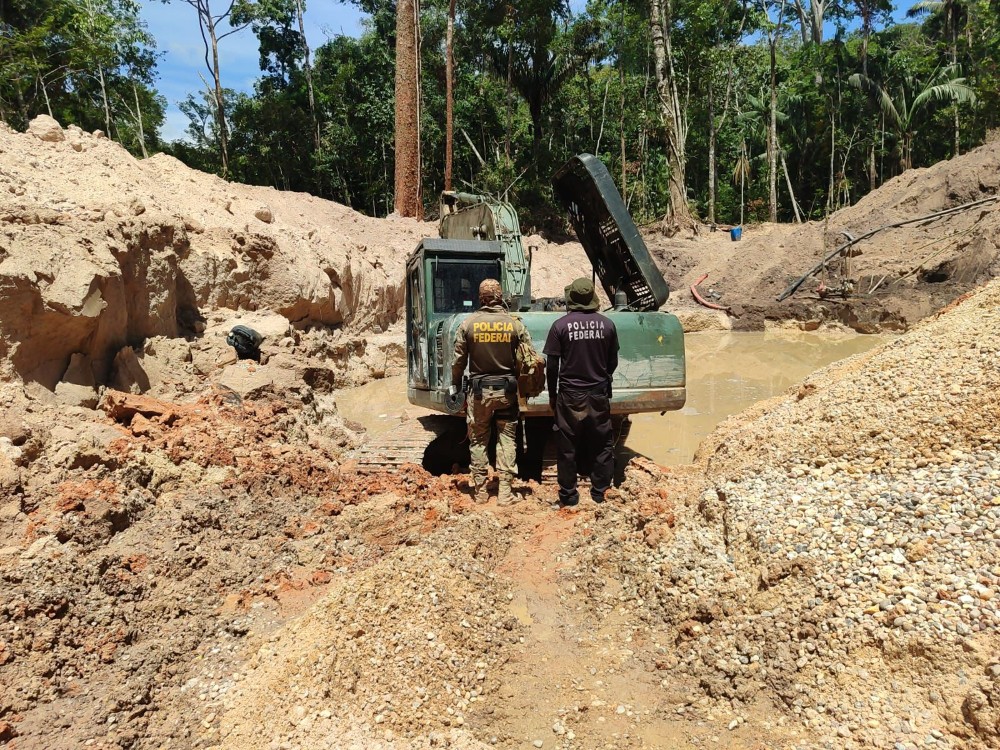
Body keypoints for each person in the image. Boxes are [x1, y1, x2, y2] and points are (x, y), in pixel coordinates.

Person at [451, 278, 532, 505]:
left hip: (479, 394)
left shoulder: (468, 324)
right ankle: (505, 493)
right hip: (507, 393)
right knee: (507, 440)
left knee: (478, 439)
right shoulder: (515, 324)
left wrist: (455, 385)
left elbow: (458, 361)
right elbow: (529, 359)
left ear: (480, 297)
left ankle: (480, 492)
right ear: (500, 297)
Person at [543, 277, 619, 507]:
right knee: (602, 444)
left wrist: (553, 395)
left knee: (567, 447)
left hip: (569, 396)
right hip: (597, 394)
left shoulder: (560, 326)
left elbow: (552, 365)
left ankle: (569, 497)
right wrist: (601, 378)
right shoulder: (607, 325)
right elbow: (612, 362)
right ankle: (600, 493)